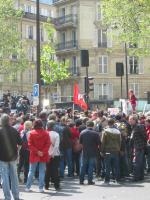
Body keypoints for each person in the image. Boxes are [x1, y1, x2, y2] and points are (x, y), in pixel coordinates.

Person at [0, 113, 22, 200]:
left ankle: (7, 197)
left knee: (4, 178)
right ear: (9, 121)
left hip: (2, 157)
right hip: (13, 157)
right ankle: (16, 196)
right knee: (14, 177)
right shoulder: (14, 130)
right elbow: (20, 143)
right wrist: (18, 152)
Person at [25, 119, 50, 192]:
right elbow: (48, 144)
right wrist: (42, 152)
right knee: (42, 171)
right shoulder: (46, 133)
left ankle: (27, 187)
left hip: (34, 153)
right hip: (43, 154)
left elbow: (30, 144)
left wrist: (37, 151)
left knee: (31, 171)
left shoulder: (32, 133)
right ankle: (40, 188)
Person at [101, 118, 121, 185]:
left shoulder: (105, 131)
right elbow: (119, 141)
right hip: (116, 150)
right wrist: (119, 149)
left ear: (108, 123)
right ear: (113, 123)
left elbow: (103, 142)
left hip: (107, 150)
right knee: (116, 166)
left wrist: (101, 151)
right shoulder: (118, 131)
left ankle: (107, 180)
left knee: (107, 166)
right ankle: (117, 180)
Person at [79, 120, 100, 185]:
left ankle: (81, 180)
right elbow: (99, 143)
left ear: (86, 125)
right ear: (93, 126)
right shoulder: (96, 133)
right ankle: (90, 180)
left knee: (83, 166)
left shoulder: (82, 132)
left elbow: (80, 143)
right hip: (93, 151)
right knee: (91, 166)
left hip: (85, 151)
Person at [129, 115, 147, 181]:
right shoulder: (133, 127)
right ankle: (139, 177)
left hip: (139, 147)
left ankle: (137, 177)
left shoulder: (139, 126)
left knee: (137, 163)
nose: (129, 121)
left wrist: (142, 145)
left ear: (134, 120)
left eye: (130, 119)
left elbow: (145, 136)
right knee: (139, 162)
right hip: (137, 147)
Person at [45, 120, 60, 190]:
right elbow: (56, 146)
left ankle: (46, 185)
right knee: (55, 170)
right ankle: (56, 185)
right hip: (55, 154)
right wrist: (52, 154)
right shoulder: (56, 134)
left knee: (47, 170)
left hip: (46, 154)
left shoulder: (45, 133)